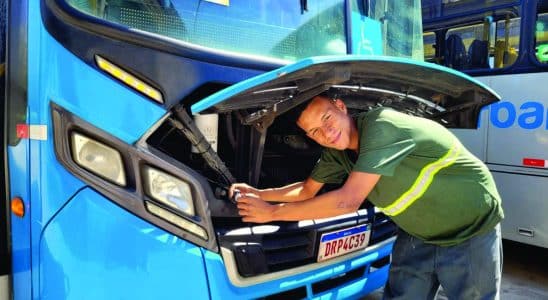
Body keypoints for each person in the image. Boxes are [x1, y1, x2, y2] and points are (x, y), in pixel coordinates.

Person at [230, 94, 504, 299]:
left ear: (341, 107)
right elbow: (306, 190)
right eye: (314, 131)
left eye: (326, 119)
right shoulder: (337, 153)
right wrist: (258, 193)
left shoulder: (382, 126)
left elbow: (346, 201)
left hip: (470, 226)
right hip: (419, 232)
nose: (325, 133)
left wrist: (272, 213)